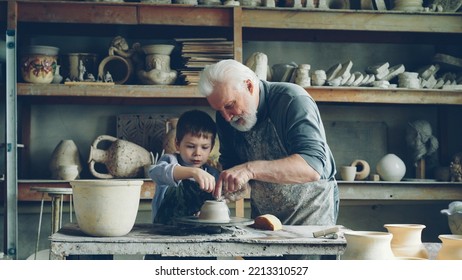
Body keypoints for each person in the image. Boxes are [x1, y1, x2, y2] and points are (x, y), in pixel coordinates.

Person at [198, 59, 339, 227]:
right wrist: (235, 186)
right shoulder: (225, 118)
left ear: (249, 86)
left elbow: (312, 167)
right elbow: (232, 163)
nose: (227, 117)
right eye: (219, 110)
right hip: (265, 217)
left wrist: (249, 170)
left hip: (310, 213)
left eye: (229, 105)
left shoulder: (292, 100)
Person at [148, 109, 220, 225]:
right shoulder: (170, 161)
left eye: (205, 147)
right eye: (191, 146)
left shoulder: (213, 174)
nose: (197, 153)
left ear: (211, 148)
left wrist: (208, 213)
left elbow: (220, 206)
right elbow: (155, 173)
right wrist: (193, 172)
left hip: (201, 233)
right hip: (166, 231)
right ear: (177, 144)